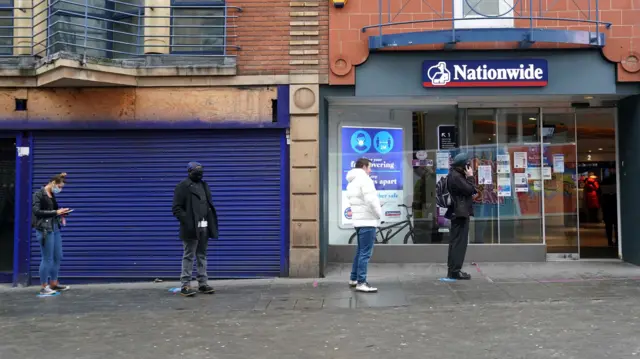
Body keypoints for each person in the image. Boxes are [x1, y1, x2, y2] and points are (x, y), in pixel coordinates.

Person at [172, 162, 219, 297]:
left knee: (201, 254)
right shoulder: (183, 186)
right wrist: (188, 221)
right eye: (196, 171)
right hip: (191, 227)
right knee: (189, 255)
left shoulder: (204, 186)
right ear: (189, 171)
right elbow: (176, 208)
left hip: (204, 225)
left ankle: (202, 283)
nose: (199, 174)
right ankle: (185, 284)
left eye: (200, 171)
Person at [346, 158, 382, 293]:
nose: (370, 170)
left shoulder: (352, 182)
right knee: (365, 253)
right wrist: (378, 213)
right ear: (364, 167)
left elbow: (359, 201)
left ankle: (354, 278)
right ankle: (362, 282)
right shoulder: (365, 180)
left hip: (358, 221)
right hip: (367, 221)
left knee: (360, 251)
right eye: (369, 167)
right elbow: (371, 201)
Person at [32, 172, 71, 296]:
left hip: (54, 228)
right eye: (59, 186)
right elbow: (37, 212)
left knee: (58, 256)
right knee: (47, 258)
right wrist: (56, 212)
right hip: (44, 229)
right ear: (53, 183)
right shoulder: (38, 194)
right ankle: (44, 286)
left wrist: (61, 213)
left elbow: (53, 211)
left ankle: (54, 283)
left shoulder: (51, 194)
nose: (60, 189)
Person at [444, 153, 476, 280]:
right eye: (468, 164)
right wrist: (470, 177)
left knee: (456, 242)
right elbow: (470, 190)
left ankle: (453, 270)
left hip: (457, 212)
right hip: (459, 213)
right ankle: (455, 271)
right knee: (459, 243)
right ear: (463, 165)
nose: (469, 167)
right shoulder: (457, 177)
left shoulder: (454, 175)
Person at [600, 169, 617, 246]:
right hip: (615, 206)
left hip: (606, 206)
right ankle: (617, 241)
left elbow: (599, 193)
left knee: (608, 225)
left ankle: (610, 241)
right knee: (616, 225)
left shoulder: (604, 182)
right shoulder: (617, 181)